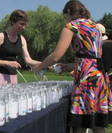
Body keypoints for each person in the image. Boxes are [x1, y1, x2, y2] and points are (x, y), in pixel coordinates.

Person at [33, 1, 112, 133]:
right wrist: (68, 66)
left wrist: (39, 67)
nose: (66, 20)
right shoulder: (94, 26)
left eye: (65, 17)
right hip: (99, 77)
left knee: (79, 123)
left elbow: (56, 56)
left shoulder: (72, 26)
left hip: (86, 80)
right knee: (96, 123)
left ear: (69, 12)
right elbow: (91, 58)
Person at [0, 9, 41, 86]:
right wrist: (7, 63)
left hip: (13, 77)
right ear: (12, 22)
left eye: (25, 25)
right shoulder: (1, 37)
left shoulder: (22, 39)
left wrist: (46, 63)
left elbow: (28, 60)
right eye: (21, 24)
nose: (23, 27)